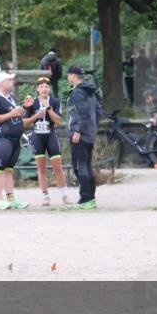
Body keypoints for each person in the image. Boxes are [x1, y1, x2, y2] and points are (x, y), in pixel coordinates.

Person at [0, 72, 30, 210]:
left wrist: (25, 108)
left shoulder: (11, 97)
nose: (12, 82)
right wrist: (11, 114)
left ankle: (11, 199)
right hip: (2, 138)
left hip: (15, 139)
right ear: (1, 83)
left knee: (9, 170)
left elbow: (16, 114)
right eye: (9, 79)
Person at [23, 76, 69, 206]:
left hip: (50, 135)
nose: (44, 89)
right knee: (41, 168)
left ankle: (64, 195)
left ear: (50, 89)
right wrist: (36, 116)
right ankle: (45, 196)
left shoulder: (55, 101)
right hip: (38, 136)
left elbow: (58, 121)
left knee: (57, 167)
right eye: (41, 87)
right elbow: (25, 123)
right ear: (37, 89)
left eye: (46, 87)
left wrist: (49, 108)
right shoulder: (32, 103)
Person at [65, 66, 98, 209]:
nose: (67, 78)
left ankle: (85, 199)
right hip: (90, 133)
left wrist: (78, 131)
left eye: (68, 75)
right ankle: (90, 198)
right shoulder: (89, 91)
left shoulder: (77, 93)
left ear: (73, 75)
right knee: (86, 165)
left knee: (79, 166)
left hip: (80, 135)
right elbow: (98, 111)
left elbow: (83, 113)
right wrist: (92, 127)